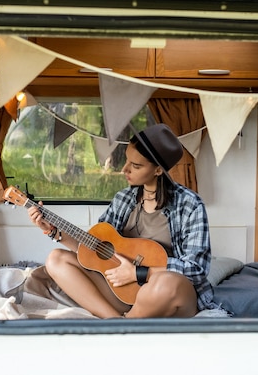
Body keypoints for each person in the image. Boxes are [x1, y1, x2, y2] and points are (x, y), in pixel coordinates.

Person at [27, 123, 213, 318]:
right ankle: (113, 320)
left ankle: (130, 322)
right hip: (124, 292)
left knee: (168, 283)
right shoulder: (123, 199)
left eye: (136, 165)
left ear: (158, 170)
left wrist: (139, 273)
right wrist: (54, 231)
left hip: (168, 294)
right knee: (56, 259)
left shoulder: (190, 204)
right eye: (126, 161)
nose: (125, 169)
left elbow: (196, 269)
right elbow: (95, 251)